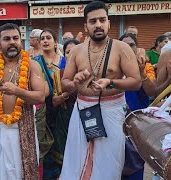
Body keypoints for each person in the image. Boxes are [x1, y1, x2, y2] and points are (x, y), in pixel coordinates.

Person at [59, 1, 141, 179]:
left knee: (109, 163)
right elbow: (64, 83)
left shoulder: (122, 49)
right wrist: (75, 82)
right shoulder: (76, 51)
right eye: (93, 21)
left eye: (102, 20)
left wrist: (111, 82)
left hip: (112, 110)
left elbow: (136, 82)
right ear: (85, 26)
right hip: (82, 110)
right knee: (76, 161)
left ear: (109, 23)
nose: (98, 25)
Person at [0, 23, 45, 179]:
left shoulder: (32, 65)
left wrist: (17, 91)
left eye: (15, 38)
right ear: (0, 44)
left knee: (21, 173)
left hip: (23, 131)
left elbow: (41, 96)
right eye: (7, 39)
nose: (12, 42)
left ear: (21, 41)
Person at [34, 28, 75, 179]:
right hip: (45, 109)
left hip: (64, 109)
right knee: (45, 143)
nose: (45, 40)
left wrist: (64, 96)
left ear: (55, 42)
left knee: (63, 143)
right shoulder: (35, 62)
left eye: (48, 38)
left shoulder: (66, 61)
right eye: (42, 38)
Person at [120, 33, 156, 180]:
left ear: (137, 47)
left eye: (131, 45)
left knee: (135, 169)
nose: (128, 48)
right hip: (116, 125)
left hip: (137, 128)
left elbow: (152, 91)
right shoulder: (114, 69)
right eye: (124, 45)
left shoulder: (145, 66)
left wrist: (141, 72)